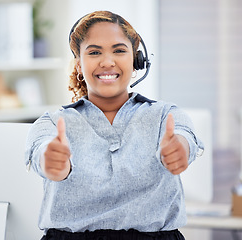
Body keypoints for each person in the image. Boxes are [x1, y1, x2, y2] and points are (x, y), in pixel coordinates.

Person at [25, 10, 204, 240]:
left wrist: (180, 149)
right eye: (94, 52)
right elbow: (41, 149)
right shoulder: (51, 122)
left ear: (136, 60)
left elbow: (184, 135)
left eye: (119, 50)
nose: (107, 61)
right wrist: (50, 161)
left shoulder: (165, 115)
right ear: (79, 65)